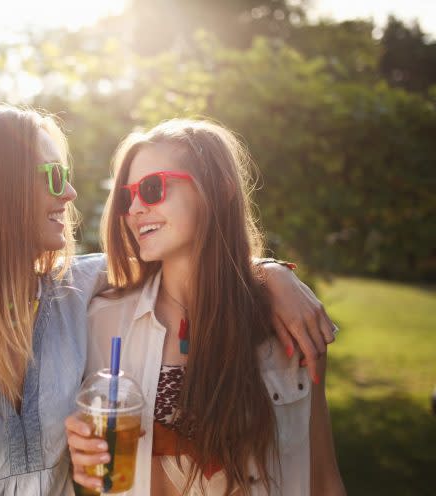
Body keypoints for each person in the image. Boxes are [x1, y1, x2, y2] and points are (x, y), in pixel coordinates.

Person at [0, 105, 335, 496]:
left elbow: (193, 258)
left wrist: (269, 275)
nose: (70, 195)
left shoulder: (78, 294)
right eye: (54, 177)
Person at [66, 119, 345, 495]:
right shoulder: (102, 321)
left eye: (152, 188)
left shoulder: (290, 322)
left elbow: (323, 476)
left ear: (219, 190)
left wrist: (271, 274)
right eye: (126, 196)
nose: (133, 208)